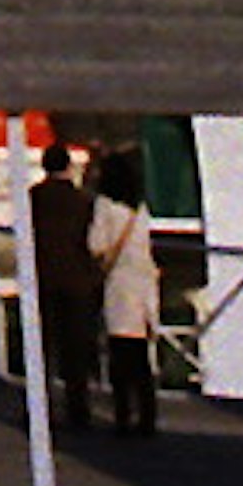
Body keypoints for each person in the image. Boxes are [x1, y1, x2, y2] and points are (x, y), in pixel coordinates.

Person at [28, 139, 103, 433]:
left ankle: (40, 407)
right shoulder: (82, 201)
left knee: (43, 347)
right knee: (75, 349)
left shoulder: (33, 197)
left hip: (44, 277)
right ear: (69, 167)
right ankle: (78, 407)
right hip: (77, 280)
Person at [88, 149, 161, 438]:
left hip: (120, 286)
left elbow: (96, 244)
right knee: (141, 357)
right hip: (144, 283)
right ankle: (147, 415)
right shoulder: (140, 209)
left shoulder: (104, 206)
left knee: (120, 355)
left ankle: (123, 414)